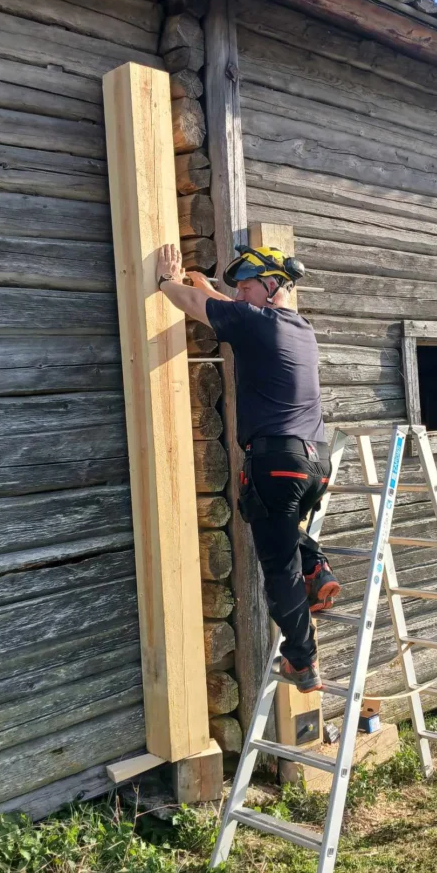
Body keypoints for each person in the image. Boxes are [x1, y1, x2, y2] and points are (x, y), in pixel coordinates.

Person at [155, 242, 340, 693]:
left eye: (246, 286)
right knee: (270, 521)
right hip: (314, 463)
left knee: (278, 567)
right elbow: (220, 300)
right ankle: (317, 572)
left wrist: (166, 282)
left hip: (275, 460)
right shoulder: (300, 328)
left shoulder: (252, 322)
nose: (238, 295)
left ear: (272, 286)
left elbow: (195, 304)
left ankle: (302, 662)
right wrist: (210, 285)